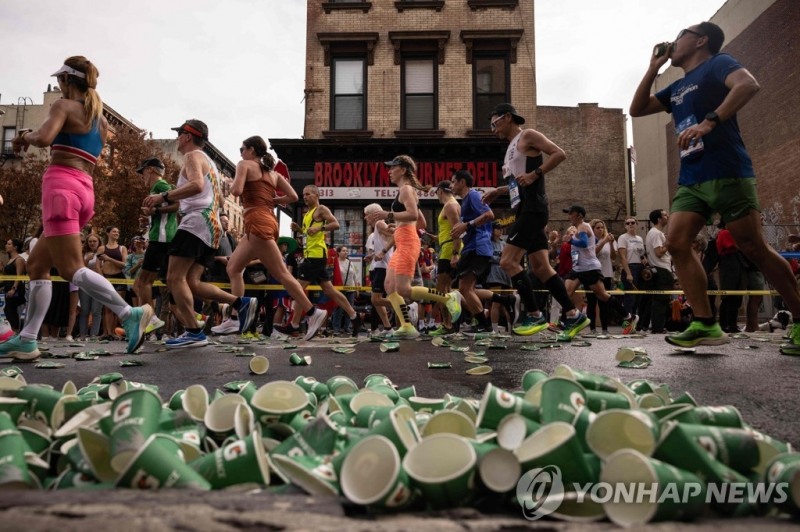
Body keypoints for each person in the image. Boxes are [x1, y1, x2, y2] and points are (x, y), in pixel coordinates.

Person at [631, 21, 800, 354]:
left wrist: (711, 120)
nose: (674, 40)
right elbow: (638, 109)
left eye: (681, 35)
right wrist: (653, 67)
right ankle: (706, 324)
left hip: (727, 170)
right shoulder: (677, 86)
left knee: (753, 248)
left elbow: (748, 85)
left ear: (700, 41)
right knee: (677, 243)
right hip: (691, 177)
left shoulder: (718, 64)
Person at [4, 56, 152, 360]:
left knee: (72, 269)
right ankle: (28, 339)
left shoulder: (62, 106)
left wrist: (23, 137)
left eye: (60, 81)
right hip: (84, 191)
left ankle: (130, 314)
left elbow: (44, 137)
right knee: (37, 266)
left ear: (67, 81)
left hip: (61, 188)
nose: (58, 86)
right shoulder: (101, 120)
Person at [142, 119, 257, 348]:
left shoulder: (192, 157)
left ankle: (194, 332)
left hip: (197, 222)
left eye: (179, 134)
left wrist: (163, 197)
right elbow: (220, 199)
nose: (177, 139)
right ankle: (240, 303)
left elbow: (196, 186)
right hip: (213, 227)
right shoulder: (211, 164)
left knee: (174, 278)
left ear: (187, 136)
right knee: (192, 282)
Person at [482, 103, 589, 340]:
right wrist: (499, 191)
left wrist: (536, 174)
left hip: (533, 208)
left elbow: (560, 153)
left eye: (494, 123)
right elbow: (517, 183)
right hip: (523, 209)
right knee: (541, 267)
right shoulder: (511, 147)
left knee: (508, 261)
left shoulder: (527, 135)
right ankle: (573, 314)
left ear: (508, 117)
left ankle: (533, 313)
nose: (492, 129)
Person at [225, 136, 326, 341]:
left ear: (251, 150)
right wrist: (276, 199)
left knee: (280, 272)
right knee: (234, 268)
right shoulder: (272, 174)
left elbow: (236, 190)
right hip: (266, 220)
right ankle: (238, 315)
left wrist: (229, 182)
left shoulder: (244, 164)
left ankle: (312, 311)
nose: (240, 152)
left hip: (256, 221)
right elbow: (294, 197)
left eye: (242, 148)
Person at [365, 155, 461, 340]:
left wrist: (388, 215)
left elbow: (411, 215)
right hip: (403, 241)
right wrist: (398, 226)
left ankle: (448, 298)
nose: (389, 172)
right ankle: (407, 326)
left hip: (408, 243)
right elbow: (421, 221)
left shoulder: (407, 189)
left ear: (402, 169)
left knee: (403, 289)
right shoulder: (404, 190)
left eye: (392, 168)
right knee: (389, 286)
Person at [278, 185, 358, 338]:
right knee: (330, 290)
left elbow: (336, 224)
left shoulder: (321, 209)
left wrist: (320, 229)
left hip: (316, 256)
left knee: (297, 289)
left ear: (316, 195)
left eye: (308, 194)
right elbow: (310, 234)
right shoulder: (307, 214)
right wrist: (299, 230)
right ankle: (354, 317)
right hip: (313, 255)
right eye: (303, 194)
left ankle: (294, 324)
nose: (305, 197)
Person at [563, 206, 637, 335]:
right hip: (578, 268)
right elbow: (588, 243)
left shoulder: (583, 227)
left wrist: (571, 240)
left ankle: (628, 316)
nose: (568, 216)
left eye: (571, 213)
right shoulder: (579, 229)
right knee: (566, 292)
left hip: (589, 268)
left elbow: (584, 243)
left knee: (602, 296)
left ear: (579, 215)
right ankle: (570, 319)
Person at [133, 157, 177, 336]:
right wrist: (151, 217)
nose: (142, 175)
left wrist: (156, 211)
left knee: (141, 283)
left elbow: (177, 204)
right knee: (172, 283)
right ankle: (196, 315)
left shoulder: (159, 186)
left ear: (150, 169)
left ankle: (152, 320)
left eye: (142, 171)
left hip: (161, 238)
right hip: (165, 237)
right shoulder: (161, 187)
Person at [449, 170, 495, 334]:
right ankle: (483, 322)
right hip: (471, 248)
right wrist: (459, 232)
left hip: (479, 247)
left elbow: (489, 215)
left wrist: (466, 226)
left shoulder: (474, 196)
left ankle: (485, 325)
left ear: (462, 182)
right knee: (464, 288)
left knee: (466, 288)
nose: (452, 186)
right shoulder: (466, 201)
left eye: (453, 182)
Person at [427, 180, 462, 335]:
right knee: (446, 289)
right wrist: (435, 237)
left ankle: (448, 324)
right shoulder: (453, 205)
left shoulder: (450, 205)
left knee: (441, 290)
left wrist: (455, 254)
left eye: (437, 193)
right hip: (446, 246)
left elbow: (458, 231)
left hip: (449, 249)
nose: (437, 197)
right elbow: (451, 230)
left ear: (440, 190)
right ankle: (449, 325)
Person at [363, 206, 395, 336]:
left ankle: (407, 308)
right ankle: (388, 328)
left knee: (376, 299)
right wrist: (373, 255)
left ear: (373, 214)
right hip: (379, 265)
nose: (365, 218)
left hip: (383, 266)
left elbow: (395, 236)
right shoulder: (377, 227)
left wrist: (383, 252)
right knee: (375, 300)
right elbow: (387, 239)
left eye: (366, 215)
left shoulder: (379, 223)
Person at [644, 209, 673, 334]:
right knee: (661, 300)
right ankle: (658, 328)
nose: (668, 216)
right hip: (661, 270)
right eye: (665, 215)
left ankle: (658, 326)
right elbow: (659, 252)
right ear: (659, 219)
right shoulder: (656, 233)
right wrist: (669, 242)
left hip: (659, 269)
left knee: (659, 300)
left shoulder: (654, 233)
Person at [587, 219, 618, 335]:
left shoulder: (609, 241)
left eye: (602, 227)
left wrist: (610, 243)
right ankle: (592, 328)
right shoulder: (590, 240)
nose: (600, 230)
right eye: (598, 228)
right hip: (592, 274)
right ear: (593, 229)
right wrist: (604, 241)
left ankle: (605, 328)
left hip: (606, 274)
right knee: (592, 302)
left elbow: (614, 257)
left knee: (604, 302)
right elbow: (593, 253)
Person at [97, 226, 128, 340]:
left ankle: (114, 332)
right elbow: (97, 265)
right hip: (106, 278)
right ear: (108, 233)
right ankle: (107, 333)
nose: (116, 233)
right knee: (107, 308)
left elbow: (124, 264)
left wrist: (109, 259)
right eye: (114, 231)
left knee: (118, 307)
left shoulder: (122, 248)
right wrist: (102, 278)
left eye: (118, 232)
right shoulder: (101, 248)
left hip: (119, 278)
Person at [617, 217, 646, 329]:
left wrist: (643, 258)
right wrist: (628, 273)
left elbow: (640, 253)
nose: (630, 224)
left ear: (637, 224)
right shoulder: (623, 238)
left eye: (633, 222)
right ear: (625, 226)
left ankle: (636, 323)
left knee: (638, 298)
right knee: (630, 298)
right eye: (627, 223)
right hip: (630, 267)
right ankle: (627, 324)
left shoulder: (639, 238)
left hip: (640, 267)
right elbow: (623, 257)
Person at [78, 233, 104, 340]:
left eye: (94, 241)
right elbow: (79, 268)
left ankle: (94, 335)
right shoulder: (83, 253)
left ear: (99, 242)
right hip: (85, 284)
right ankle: (83, 334)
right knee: (84, 309)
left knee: (96, 310)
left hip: (99, 283)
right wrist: (87, 260)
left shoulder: (103, 253)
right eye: (90, 241)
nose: (92, 243)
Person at [332, 246, 359, 335]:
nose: (345, 252)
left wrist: (356, 288)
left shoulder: (350, 263)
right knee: (338, 309)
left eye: (346, 251)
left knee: (350, 308)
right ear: (338, 252)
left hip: (350, 288)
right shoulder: (336, 263)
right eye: (343, 251)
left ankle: (347, 327)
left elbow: (354, 275)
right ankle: (336, 328)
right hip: (339, 289)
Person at [2, 239, 27, 334]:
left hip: (16, 290)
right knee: (8, 310)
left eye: (9, 244)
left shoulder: (19, 259)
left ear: (15, 247)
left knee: (10, 310)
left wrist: (14, 289)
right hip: (7, 289)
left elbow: (19, 276)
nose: (6, 245)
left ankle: (16, 331)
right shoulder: (10, 260)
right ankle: (14, 331)